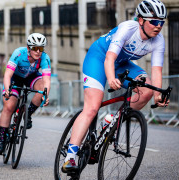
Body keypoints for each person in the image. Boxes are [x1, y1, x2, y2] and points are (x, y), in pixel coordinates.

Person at [62, 0, 169, 173]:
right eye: (154, 21)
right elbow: (109, 59)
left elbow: (157, 70)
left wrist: (157, 94)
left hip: (122, 63)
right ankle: (71, 156)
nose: (158, 26)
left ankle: (112, 119)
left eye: (161, 22)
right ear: (141, 20)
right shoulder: (128, 28)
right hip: (99, 58)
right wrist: (111, 78)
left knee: (147, 89)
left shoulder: (159, 40)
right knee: (92, 107)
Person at [0, 33, 51, 155]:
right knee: (9, 106)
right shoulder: (19, 53)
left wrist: (45, 95)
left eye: (40, 48)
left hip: (31, 77)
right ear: (28, 47)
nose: (37, 51)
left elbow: (47, 80)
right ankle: (2, 140)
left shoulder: (45, 58)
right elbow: (8, 75)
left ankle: (28, 113)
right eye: (34, 48)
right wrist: (7, 90)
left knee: (41, 89)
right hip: (16, 78)